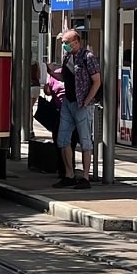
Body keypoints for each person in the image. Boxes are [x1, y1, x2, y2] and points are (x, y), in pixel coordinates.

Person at [47, 30, 101, 190]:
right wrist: (51, 73)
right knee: (62, 139)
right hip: (68, 102)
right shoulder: (67, 57)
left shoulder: (88, 57)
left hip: (82, 104)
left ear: (76, 42)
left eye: (66, 41)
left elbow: (97, 81)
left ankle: (85, 177)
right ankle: (69, 175)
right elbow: (66, 77)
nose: (63, 44)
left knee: (85, 140)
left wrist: (87, 101)